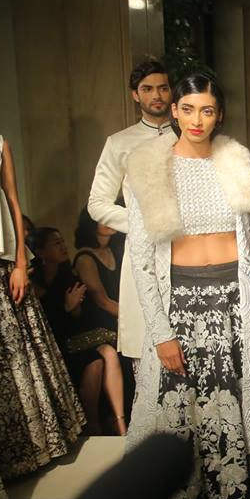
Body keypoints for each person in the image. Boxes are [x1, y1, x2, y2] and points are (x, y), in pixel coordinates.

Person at [125, 74, 250, 499]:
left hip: (237, 305)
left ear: (219, 113)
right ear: (174, 111)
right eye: (187, 109)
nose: (197, 120)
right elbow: (142, 261)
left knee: (241, 415)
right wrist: (161, 332)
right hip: (181, 310)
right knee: (185, 420)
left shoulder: (235, 160)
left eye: (206, 110)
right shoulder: (148, 166)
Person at [0, 134, 86, 479]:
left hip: (0, 266)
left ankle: (34, 448)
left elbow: (13, 202)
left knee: (19, 358)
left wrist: (20, 263)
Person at [88, 58, 176, 362]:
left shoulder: (188, 136)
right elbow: (97, 203)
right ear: (135, 95)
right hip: (144, 250)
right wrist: (141, 224)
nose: (157, 95)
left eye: (163, 88)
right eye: (148, 89)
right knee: (147, 347)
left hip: (189, 248)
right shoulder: (119, 142)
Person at [32, 227, 126, 436]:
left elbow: (78, 318)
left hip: (76, 338)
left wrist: (73, 308)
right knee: (95, 362)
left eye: (62, 241)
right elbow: (43, 321)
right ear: (40, 252)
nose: (63, 246)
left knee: (109, 354)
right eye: (56, 243)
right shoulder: (33, 281)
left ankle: (119, 420)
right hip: (54, 344)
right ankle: (93, 423)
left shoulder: (69, 278)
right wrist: (66, 308)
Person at [73, 207, 122, 332]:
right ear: (91, 223)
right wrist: (134, 317)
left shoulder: (116, 249)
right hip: (100, 326)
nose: (109, 221)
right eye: (102, 218)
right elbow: (102, 301)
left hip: (121, 316)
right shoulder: (85, 258)